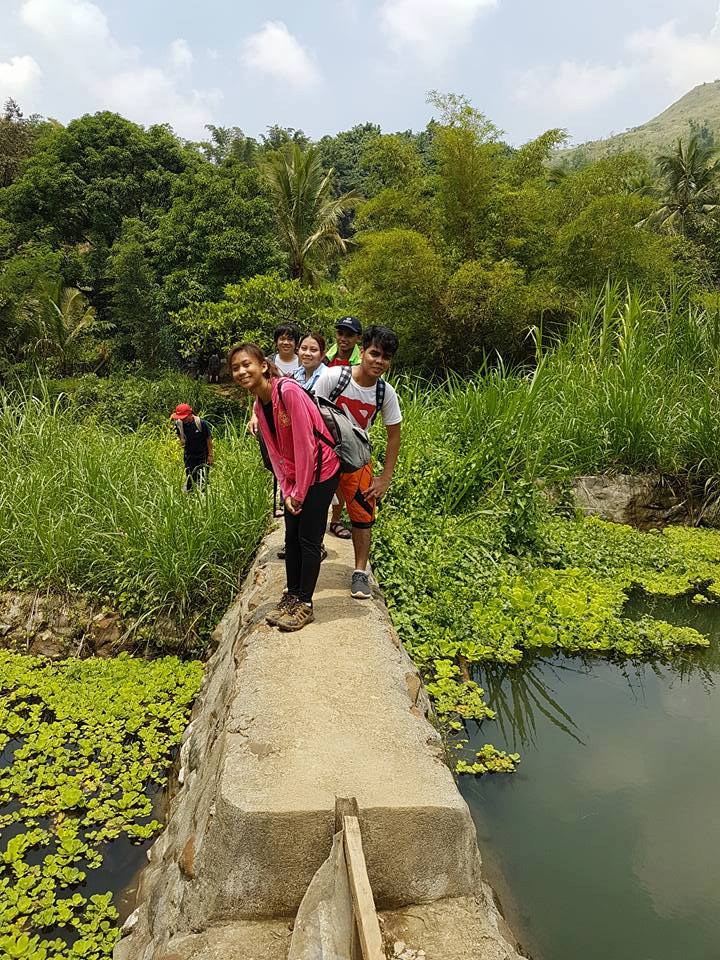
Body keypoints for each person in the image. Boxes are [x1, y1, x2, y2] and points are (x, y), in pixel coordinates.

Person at [230, 342, 340, 631]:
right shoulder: (259, 403)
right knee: (291, 538)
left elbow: (306, 446)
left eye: (246, 364)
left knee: (308, 539)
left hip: (322, 471)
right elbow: (277, 453)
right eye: (236, 368)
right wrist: (287, 489)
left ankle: (305, 603)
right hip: (297, 476)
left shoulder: (287, 391)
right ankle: (291, 596)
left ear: (263, 366)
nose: (241, 371)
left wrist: (299, 493)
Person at [313, 325, 402, 600]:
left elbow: (393, 437)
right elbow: (310, 414)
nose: (379, 361)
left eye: (385, 357)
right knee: (314, 511)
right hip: (325, 455)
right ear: (362, 352)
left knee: (363, 516)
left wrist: (384, 478)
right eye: (375, 353)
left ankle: (360, 573)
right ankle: (308, 563)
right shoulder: (333, 377)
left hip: (357, 457)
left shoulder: (384, 394)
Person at [171, 403, 214, 492]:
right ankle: (190, 498)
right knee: (190, 477)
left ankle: (204, 498)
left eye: (184, 417)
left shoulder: (201, 423)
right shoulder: (179, 424)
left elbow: (208, 439)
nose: (183, 419)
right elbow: (180, 436)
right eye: (181, 417)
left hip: (203, 455)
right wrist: (182, 441)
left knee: (203, 479)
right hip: (189, 456)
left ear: (190, 414)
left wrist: (210, 455)